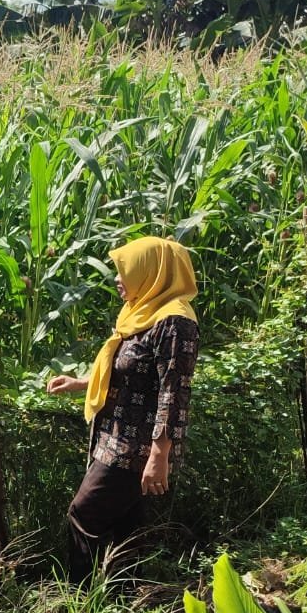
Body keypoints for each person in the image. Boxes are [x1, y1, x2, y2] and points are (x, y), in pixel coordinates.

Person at [45, 236, 199, 580]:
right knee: (126, 525)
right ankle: (123, 600)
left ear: (153, 271)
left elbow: (175, 393)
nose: (117, 278)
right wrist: (81, 383)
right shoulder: (143, 311)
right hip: (116, 436)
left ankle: (80, 597)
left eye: (125, 270)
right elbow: (131, 369)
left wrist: (159, 455)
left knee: (83, 514)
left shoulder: (175, 322)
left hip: (137, 448)